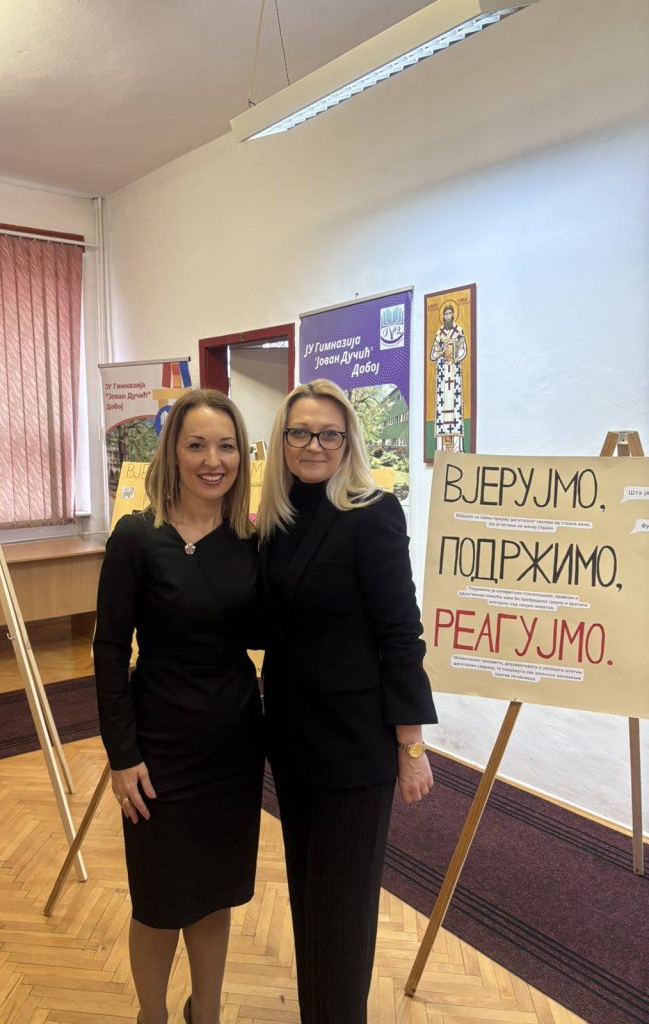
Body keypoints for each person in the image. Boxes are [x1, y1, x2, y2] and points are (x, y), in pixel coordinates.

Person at [257, 379, 437, 1024]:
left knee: (343, 908)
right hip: (293, 737)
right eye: (301, 432)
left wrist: (410, 745)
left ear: (348, 441)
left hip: (354, 746)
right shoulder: (277, 518)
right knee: (309, 894)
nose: (314, 445)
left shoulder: (372, 512)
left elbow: (401, 635)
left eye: (329, 434)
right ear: (282, 440)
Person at [93, 389, 264, 1024]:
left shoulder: (251, 538)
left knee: (216, 891)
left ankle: (207, 1013)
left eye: (226, 447)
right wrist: (122, 755)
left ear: (242, 457)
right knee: (159, 901)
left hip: (233, 746)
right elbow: (110, 649)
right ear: (173, 452)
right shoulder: (138, 537)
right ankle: (153, 1016)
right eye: (197, 445)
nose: (212, 461)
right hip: (158, 750)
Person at [429, 302, 468, 452]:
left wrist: (455, 357)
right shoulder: (439, 333)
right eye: (445, 314)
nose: (447, 316)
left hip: (454, 372)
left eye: (450, 313)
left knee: (455, 409)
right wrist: (441, 352)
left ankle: (457, 448)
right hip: (442, 376)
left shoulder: (459, 330)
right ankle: (441, 449)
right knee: (442, 409)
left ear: (453, 315)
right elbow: (432, 355)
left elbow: (463, 350)